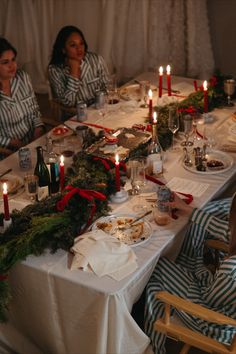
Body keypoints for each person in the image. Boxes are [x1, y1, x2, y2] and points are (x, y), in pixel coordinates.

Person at [144, 193, 236, 354]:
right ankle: (153, 345)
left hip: (215, 327)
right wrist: (188, 210)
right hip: (224, 314)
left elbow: (208, 299)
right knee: (156, 282)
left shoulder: (231, 269)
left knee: (156, 269)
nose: (227, 224)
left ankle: (155, 348)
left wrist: (201, 274)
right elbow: (220, 229)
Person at [0, 37, 44, 156]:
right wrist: (15, 143)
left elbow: (34, 109)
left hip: (34, 141)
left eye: (13, 59)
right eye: (5, 62)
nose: (12, 65)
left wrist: (38, 131)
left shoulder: (22, 78)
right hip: (8, 151)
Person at [48, 25, 109, 110]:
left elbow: (108, 88)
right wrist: (74, 74)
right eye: (73, 45)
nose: (79, 48)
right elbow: (67, 103)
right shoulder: (54, 70)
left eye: (81, 43)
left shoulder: (96, 60)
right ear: (63, 49)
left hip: (99, 109)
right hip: (73, 115)